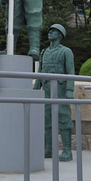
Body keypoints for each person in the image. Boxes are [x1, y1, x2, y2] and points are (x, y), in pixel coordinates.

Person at [34, 24, 75, 162]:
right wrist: (35, 88)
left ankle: (67, 151)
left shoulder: (66, 51)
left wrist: (70, 89)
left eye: (53, 31)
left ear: (60, 35)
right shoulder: (44, 52)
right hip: (46, 89)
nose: (50, 33)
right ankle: (49, 149)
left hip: (61, 89)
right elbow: (40, 71)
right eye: (49, 31)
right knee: (47, 119)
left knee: (64, 118)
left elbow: (70, 71)